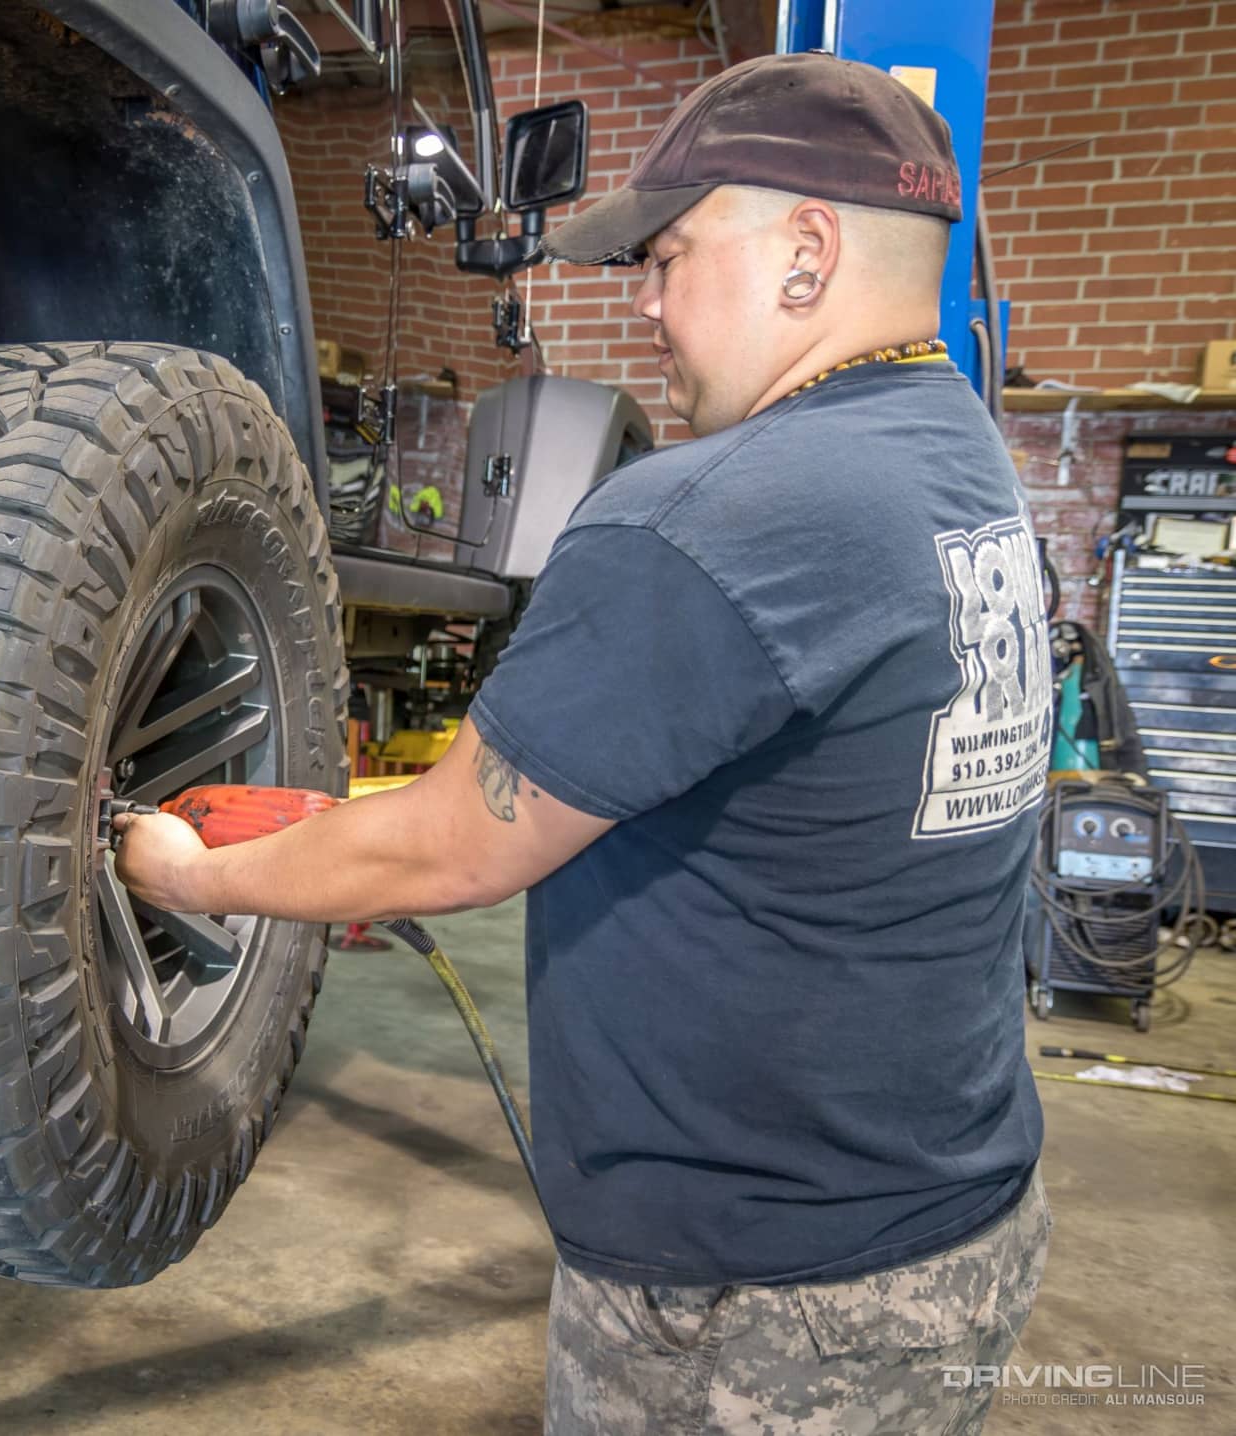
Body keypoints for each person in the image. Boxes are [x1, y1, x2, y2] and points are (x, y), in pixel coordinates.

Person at [114, 51, 1051, 1435]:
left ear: (807, 251)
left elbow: (448, 850)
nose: (653, 306)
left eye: (670, 256)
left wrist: (193, 879)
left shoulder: (712, 515)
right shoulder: (959, 459)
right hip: (955, 1225)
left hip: (757, 1314)